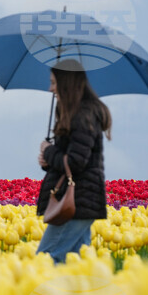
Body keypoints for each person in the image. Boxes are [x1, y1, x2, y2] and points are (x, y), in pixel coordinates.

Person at [36, 59, 111, 263]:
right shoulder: (74, 114)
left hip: (77, 201)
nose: (50, 88)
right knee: (76, 263)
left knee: (46, 260)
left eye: (54, 82)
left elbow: (76, 162)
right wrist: (48, 161)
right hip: (81, 201)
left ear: (66, 83)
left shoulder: (83, 115)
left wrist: (49, 151)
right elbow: (69, 159)